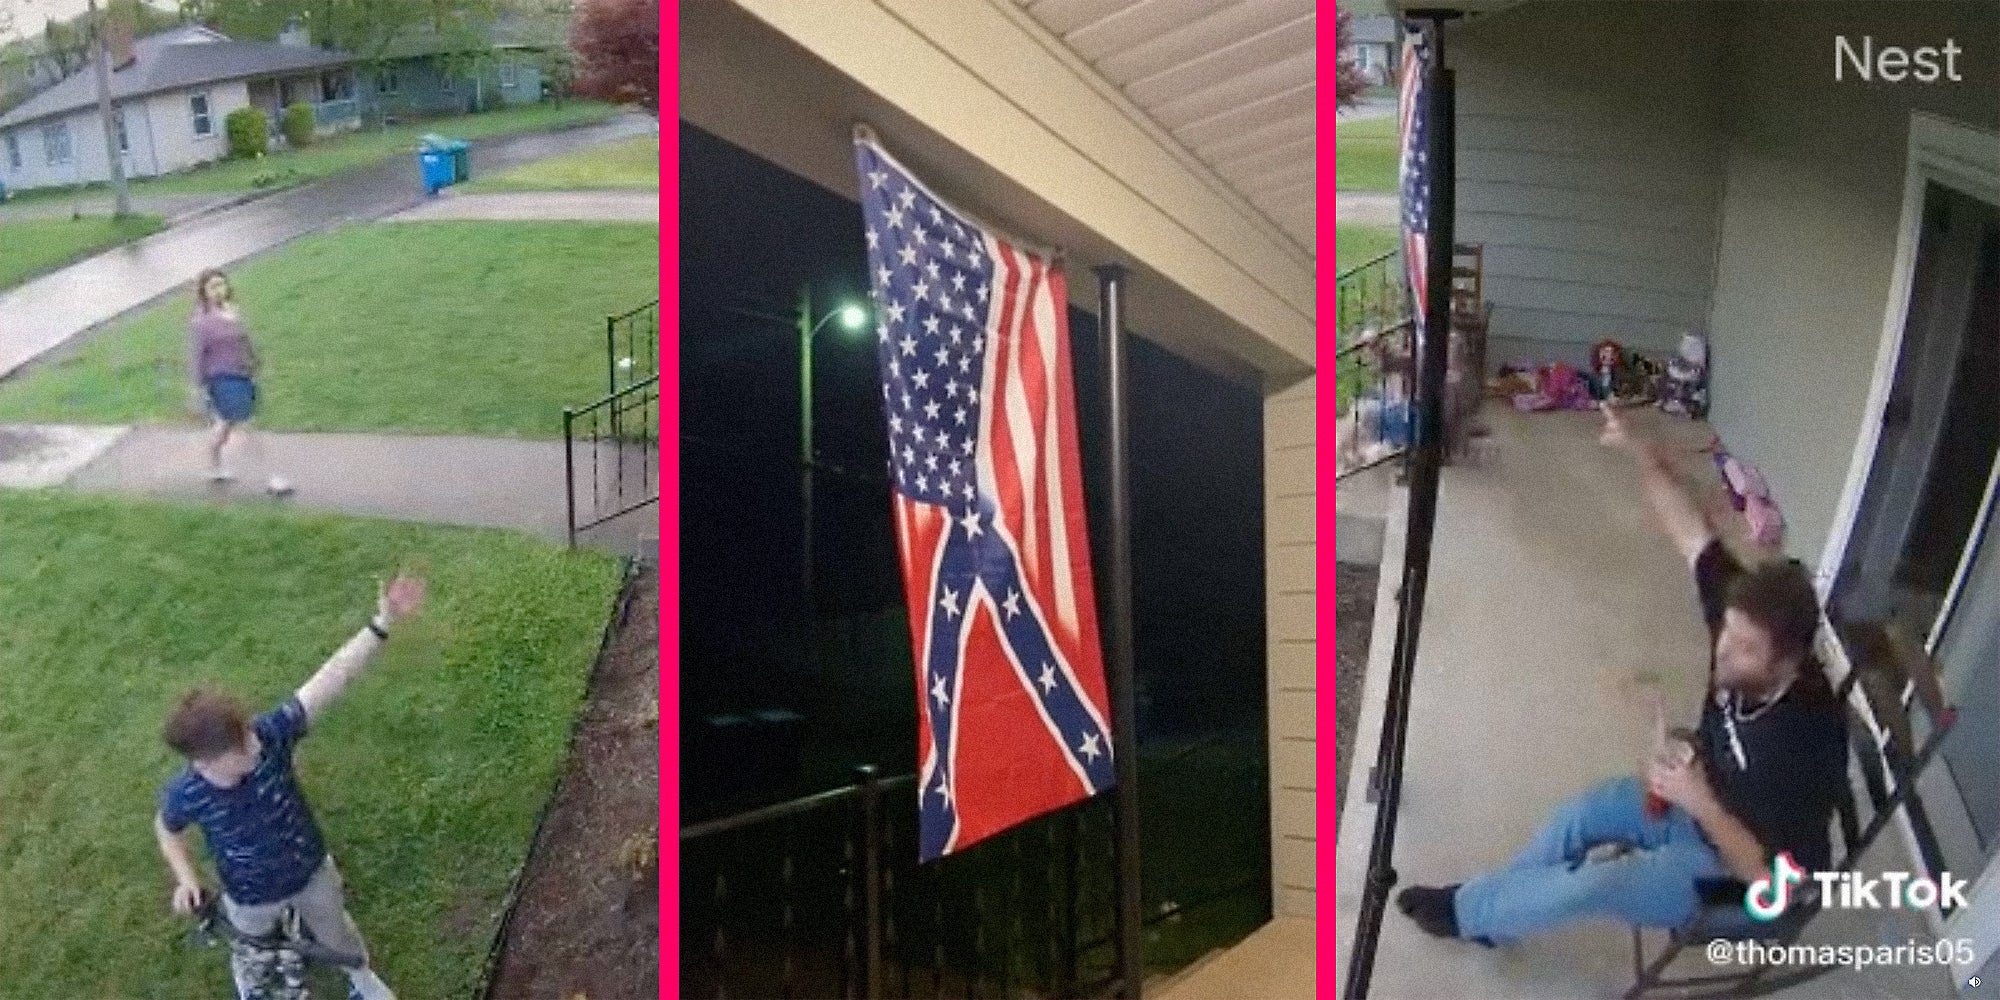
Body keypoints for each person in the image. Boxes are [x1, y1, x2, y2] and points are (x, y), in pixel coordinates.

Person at [1395, 403, 1847, 945]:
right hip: (1700, 809)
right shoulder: (1748, 620)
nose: (1722, 652)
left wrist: (1698, 796)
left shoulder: (1802, 744)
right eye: (1725, 630)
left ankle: (1471, 913)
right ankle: (1489, 912)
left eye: (1745, 648)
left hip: (1739, 882)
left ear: (1789, 662)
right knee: (1583, 814)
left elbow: (1766, 881)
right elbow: (1692, 533)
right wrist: (1641, 452)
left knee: (1598, 883)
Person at [154, 573, 427, 1000]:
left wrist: (382, 622)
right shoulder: (188, 793)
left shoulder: (270, 735)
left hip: (311, 872)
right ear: (206, 761)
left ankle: (360, 979)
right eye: (241, 748)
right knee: (252, 949)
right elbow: (167, 828)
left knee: (338, 936)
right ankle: (256, 988)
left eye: (248, 734)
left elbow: (330, 679)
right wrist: (186, 879)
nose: (253, 746)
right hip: (248, 897)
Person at [190, 268, 292, 495]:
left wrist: (257, 362)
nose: (218, 290)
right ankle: (272, 479)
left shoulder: (234, 312)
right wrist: (197, 389)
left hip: (242, 375)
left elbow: (245, 341)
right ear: (204, 292)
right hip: (221, 379)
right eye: (212, 286)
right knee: (247, 424)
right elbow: (197, 356)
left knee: (226, 426)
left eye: (221, 284)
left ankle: (214, 466)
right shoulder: (202, 323)